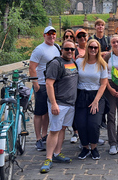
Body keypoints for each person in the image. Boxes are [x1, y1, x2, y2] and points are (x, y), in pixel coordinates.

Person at [40, 40, 79, 173]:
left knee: (62, 129)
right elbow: (49, 84)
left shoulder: (73, 63)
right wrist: (54, 103)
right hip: (59, 104)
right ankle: (48, 158)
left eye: (72, 50)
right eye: (67, 49)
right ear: (61, 49)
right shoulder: (56, 63)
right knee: (55, 130)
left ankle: (57, 153)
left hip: (70, 103)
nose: (69, 51)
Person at [75, 39, 108, 160]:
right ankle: (85, 147)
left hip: (96, 95)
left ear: (98, 49)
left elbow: (103, 84)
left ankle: (94, 147)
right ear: (87, 48)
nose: (93, 49)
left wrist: (96, 101)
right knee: (81, 123)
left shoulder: (102, 64)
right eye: (91, 47)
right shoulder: (79, 61)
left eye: (95, 47)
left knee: (93, 124)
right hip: (81, 95)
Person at [29, 26, 60, 151]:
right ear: (44, 35)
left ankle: (44, 135)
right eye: (49, 34)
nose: (51, 36)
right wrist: (35, 84)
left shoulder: (57, 47)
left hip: (53, 85)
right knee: (38, 113)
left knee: (47, 112)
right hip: (42, 84)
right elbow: (32, 67)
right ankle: (37, 138)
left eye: (53, 33)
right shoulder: (39, 49)